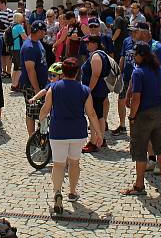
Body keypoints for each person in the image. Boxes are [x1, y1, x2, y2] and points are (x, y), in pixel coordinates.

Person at [38, 58, 102, 214]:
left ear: (63, 72)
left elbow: (45, 110)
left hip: (58, 130)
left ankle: (57, 192)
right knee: (74, 163)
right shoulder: (84, 90)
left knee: (58, 164)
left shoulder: (53, 88)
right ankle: (72, 192)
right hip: (77, 132)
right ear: (77, 72)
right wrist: (99, 133)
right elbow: (91, 113)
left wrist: (41, 122)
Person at [122, 43, 161, 195]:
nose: (133, 57)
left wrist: (132, 116)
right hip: (157, 112)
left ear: (141, 55)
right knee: (160, 147)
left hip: (142, 114)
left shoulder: (138, 73)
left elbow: (136, 98)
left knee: (140, 150)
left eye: (135, 54)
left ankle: (139, 185)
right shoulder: (158, 69)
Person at [80, 35, 111, 152]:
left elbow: (96, 74)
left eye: (88, 43)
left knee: (95, 116)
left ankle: (95, 141)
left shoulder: (96, 56)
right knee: (99, 115)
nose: (86, 45)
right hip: (99, 90)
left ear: (95, 43)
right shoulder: (99, 54)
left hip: (96, 91)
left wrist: (88, 90)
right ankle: (100, 139)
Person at [19, 21, 48, 137]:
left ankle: (41, 133)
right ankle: (32, 136)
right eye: (43, 31)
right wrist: (36, 89)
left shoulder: (38, 42)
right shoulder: (29, 47)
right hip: (31, 85)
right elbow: (30, 70)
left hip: (41, 83)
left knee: (42, 110)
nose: (44, 33)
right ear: (39, 31)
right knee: (32, 111)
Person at [10, 12, 27, 91]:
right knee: (20, 67)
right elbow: (24, 37)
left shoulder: (12, 26)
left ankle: (13, 83)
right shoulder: (19, 26)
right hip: (18, 48)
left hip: (13, 48)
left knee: (15, 67)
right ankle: (16, 85)